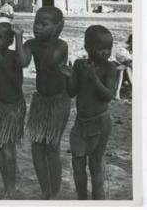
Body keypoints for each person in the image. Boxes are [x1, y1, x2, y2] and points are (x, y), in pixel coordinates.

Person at [12, 7, 71, 200]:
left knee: (52, 147)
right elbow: (22, 62)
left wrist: (52, 37)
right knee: (36, 146)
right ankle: (45, 189)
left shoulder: (61, 45)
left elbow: (49, 62)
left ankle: (54, 191)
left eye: (43, 24)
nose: (37, 27)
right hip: (40, 100)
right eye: (36, 22)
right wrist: (19, 39)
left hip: (58, 101)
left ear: (58, 26)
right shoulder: (32, 43)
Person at [60, 25, 116, 200]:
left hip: (101, 123)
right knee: (77, 164)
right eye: (101, 49)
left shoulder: (110, 68)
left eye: (109, 48)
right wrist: (68, 77)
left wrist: (94, 79)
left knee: (95, 165)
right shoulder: (78, 64)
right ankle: (82, 200)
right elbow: (72, 92)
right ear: (87, 47)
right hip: (81, 123)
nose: (105, 53)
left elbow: (109, 96)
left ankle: (98, 202)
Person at [0, 22, 26, 199]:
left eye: (0, 36)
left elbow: (17, 84)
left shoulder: (13, 57)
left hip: (14, 107)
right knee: (0, 148)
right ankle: (6, 185)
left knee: (8, 148)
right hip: (1, 107)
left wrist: (2, 64)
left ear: (9, 40)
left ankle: (12, 186)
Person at [114, 33, 132, 99]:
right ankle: (117, 92)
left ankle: (131, 88)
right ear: (129, 41)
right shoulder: (123, 50)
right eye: (132, 41)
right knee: (124, 67)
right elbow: (119, 58)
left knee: (124, 67)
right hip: (125, 73)